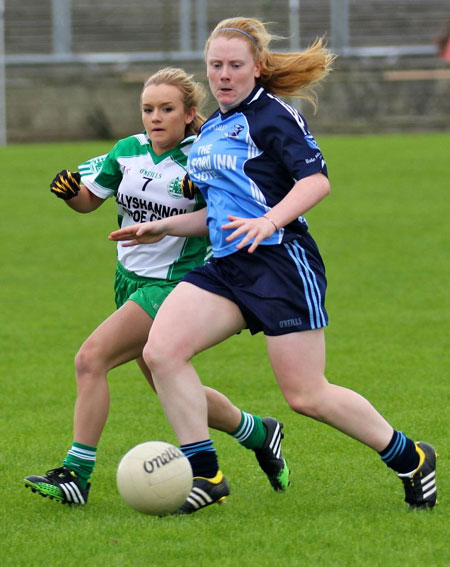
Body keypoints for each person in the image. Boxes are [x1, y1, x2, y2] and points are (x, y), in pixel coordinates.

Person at [109, 18, 438, 515]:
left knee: (306, 395)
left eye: (234, 65)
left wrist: (270, 220)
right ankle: (206, 475)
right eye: (215, 65)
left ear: (256, 69)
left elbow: (316, 182)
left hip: (280, 265)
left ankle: (410, 455)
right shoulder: (215, 127)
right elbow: (221, 214)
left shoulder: (273, 116)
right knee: (162, 353)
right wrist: (166, 227)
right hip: (226, 267)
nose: (223, 74)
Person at [24, 67, 291, 506]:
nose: (155, 117)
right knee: (170, 387)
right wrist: (71, 193)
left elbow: (224, 222)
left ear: (189, 114)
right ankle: (259, 432)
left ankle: (77, 473)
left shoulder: (203, 157)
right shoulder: (127, 151)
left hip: (174, 284)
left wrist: (197, 204)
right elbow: (90, 201)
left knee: (90, 360)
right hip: (128, 281)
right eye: (148, 109)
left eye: (166, 109)